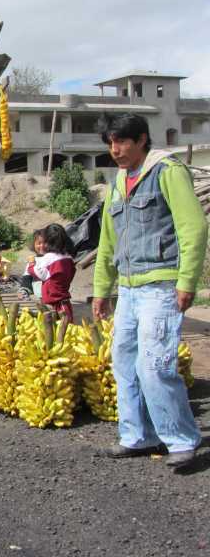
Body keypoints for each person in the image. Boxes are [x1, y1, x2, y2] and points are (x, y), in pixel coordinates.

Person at [93, 113, 207, 469]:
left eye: (122, 142)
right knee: (124, 363)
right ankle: (138, 436)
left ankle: (181, 439)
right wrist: (102, 289)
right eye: (111, 143)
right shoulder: (118, 182)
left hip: (161, 286)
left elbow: (193, 227)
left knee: (154, 365)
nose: (115, 150)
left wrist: (187, 281)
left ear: (142, 139)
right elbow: (108, 240)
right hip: (128, 290)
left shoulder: (167, 171)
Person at [26, 224, 76, 322]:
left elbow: (40, 274)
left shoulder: (49, 257)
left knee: (56, 322)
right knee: (67, 319)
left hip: (53, 297)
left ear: (48, 241)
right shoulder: (68, 257)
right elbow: (72, 271)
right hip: (63, 294)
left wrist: (31, 265)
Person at [18, 228, 45, 299]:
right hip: (39, 297)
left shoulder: (52, 259)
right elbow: (27, 278)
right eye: (39, 243)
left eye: (45, 243)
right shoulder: (33, 261)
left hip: (52, 296)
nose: (42, 246)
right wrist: (24, 290)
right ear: (34, 245)